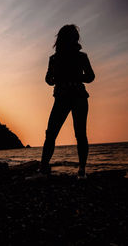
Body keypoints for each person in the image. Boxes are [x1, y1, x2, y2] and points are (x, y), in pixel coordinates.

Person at [40, 24, 95, 178]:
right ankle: (44, 168)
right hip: (61, 98)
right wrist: (54, 79)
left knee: (80, 134)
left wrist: (74, 77)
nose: (72, 38)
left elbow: (91, 76)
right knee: (51, 133)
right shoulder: (54, 58)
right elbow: (48, 79)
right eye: (69, 36)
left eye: (73, 36)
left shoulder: (81, 56)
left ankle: (82, 170)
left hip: (79, 97)